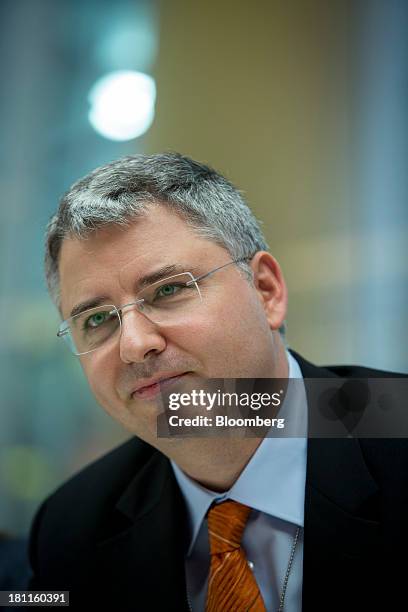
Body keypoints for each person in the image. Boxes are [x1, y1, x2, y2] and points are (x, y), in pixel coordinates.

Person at [28, 153, 407, 612]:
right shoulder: (71, 528)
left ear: (265, 291)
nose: (134, 344)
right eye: (98, 319)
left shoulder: (396, 428)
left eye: (168, 290)